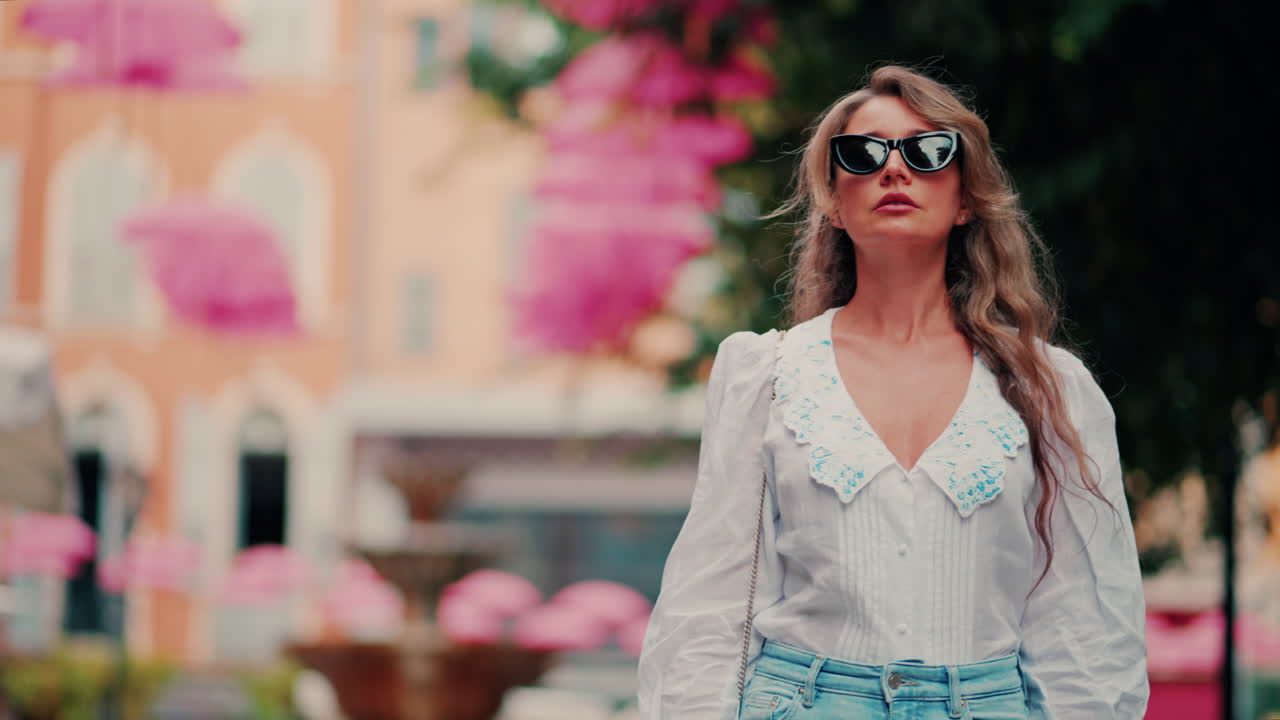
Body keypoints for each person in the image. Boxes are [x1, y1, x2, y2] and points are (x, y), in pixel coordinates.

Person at [636, 65, 1148, 719]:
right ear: (832, 199)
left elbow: (1085, 627)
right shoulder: (764, 376)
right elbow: (710, 608)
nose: (894, 169)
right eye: (863, 152)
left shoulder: (1049, 390)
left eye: (929, 151)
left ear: (966, 198)